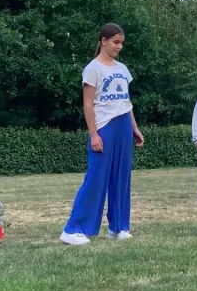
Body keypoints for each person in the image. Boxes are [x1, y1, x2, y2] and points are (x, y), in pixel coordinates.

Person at [60, 24, 145, 245]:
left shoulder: (123, 69)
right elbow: (88, 105)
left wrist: (134, 127)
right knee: (96, 178)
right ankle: (73, 229)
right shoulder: (92, 69)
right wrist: (94, 134)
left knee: (121, 177)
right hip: (103, 126)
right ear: (103, 41)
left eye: (121, 43)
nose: (119, 46)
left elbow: (126, 102)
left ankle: (119, 227)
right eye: (116, 42)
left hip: (124, 125)